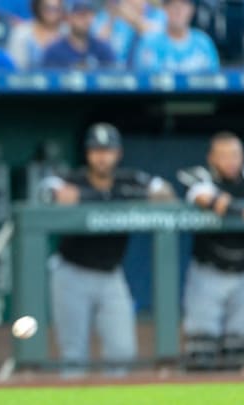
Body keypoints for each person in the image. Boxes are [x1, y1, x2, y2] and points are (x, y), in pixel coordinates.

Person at [39, 123, 174, 377]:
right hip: (71, 272)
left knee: (123, 351)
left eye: (108, 150)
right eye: (96, 150)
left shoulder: (130, 178)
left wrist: (90, 197)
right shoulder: (71, 177)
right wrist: (116, 197)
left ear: (118, 153)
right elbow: (48, 191)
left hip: (111, 275)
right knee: (73, 355)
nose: (102, 156)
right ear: (88, 153)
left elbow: (165, 193)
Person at [177, 132, 244, 369]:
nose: (231, 161)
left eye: (235, 155)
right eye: (223, 156)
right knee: (201, 349)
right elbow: (205, 197)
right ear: (211, 158)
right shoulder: (200, 176)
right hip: (209, 272)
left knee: (237, 348)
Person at [132, 0, 219, 72]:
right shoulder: (149, 43)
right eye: (173, 5)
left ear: (191, 9)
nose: (178, 10)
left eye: (183, 5)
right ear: (164, 9)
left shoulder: (203, 42)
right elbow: (143, 84)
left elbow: (216, 81)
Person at [41, 0, 115, 68]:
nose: (85, 19)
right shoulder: (54, 52)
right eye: (80, 14)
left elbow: (114, 77)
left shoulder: (103, 49)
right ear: (68, 17)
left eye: (89, 13)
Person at [92, 0, 166, 66]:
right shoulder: (107, 16)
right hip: (114, 72)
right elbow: (98, 43)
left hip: (148, 73)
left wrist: (132, 18)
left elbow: (155, 34)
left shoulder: (158, 14)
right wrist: (111, 19)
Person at [6, 0, 63, 70]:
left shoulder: (66, 32)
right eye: (47, 8)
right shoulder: (21, 32)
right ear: (38, 7)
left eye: (56, 9)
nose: (52, 13)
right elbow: (16, 66)